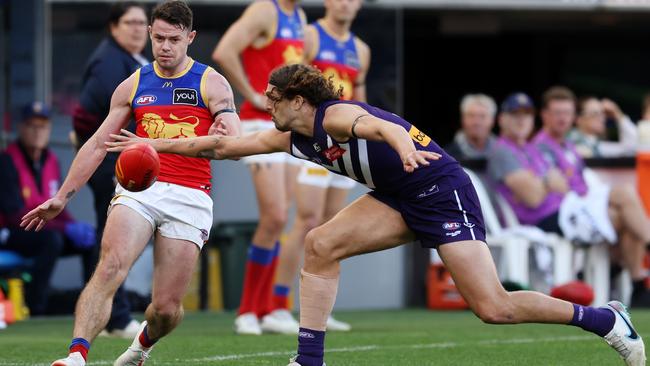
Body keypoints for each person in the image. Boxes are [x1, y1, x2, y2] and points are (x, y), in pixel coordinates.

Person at [107, 64, 646, 366]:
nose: (266, 105)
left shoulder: (336, 115)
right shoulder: (287, 134)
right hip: (396, 194)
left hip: (439, 189)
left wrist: (403, 145)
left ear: (299, 99)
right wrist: (157, 143)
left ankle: (605, 320)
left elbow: (379, 127)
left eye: (273, 98)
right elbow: (221, 148)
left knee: (494, 308)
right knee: (320, 245)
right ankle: (309, 360)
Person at [22, 2, 240, 365]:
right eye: (158, 38)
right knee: (109, 266)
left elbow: (234, 141)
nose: (165, 47)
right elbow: (96, 144)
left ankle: (141, 346)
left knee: (167, 309)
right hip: (139, 191)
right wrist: (61, 197)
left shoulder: (210, 81)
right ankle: (76, 354)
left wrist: (225, 133)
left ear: (190, 37)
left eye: (174, 39)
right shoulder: (135, 83)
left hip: (190, 195)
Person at [264, 0, 370, 334]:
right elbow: (291, 86)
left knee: (331, 226)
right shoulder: (310, 35)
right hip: (315, 137)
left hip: (345, 142)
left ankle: (318, 311)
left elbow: (360, 97)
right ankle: (278, 306)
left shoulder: (361, 49)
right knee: (306, 220)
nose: (345, 4)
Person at [212, 0, 308, 335]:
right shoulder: (265, 10)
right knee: (275, 216)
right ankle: (247, 310)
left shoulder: (299, 16)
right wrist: (253, 94)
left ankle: (268, 309)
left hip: (287, 126)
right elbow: (225, 51)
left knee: (283, 215)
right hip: (258, 125)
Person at [531, 86, 650, 307]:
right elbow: (559, 190)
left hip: (578, 210)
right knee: (624, 197)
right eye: (557, 113)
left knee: (625, 216)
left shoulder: (568, 145)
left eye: (567, 113)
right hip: (559, 215)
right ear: (544, 115)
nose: (563, 118)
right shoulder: (538, 147)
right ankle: (635, 270)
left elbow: (630, 146)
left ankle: (637, 285)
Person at [71, 1, 149, 339]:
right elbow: (91, 111)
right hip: (110, 161)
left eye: (140, 23)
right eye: (129, 22)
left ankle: (107, 317)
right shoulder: (108, 60)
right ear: (113, 26)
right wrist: (97, 149)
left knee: (112, 236)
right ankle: (116, 318)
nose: (136, 28)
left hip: (122, 158)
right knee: (115, 240)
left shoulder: (133, 61)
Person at [0, 102, 97, 316]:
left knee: (91, 241)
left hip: (43, 229)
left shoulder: (51, 160)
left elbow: (56, 204)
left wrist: (72, 225)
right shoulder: (6, 160)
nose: (37, 132)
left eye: (43, 126)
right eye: (31, 126)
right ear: (21, 129)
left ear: (49, 130)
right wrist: (64, 229)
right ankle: (37, 308)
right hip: (12, 232)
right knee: (52, 240)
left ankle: (91, 306)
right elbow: (14, 216)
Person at [568, 96, 638, 158]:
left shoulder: (597, 145)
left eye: (603, 113)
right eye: (595, 113)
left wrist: (618, 115)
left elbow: (633, 147)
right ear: (578, 119)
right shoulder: (569, 142)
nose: (602, 118)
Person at [444, 93, 497, 161]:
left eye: (482, 116)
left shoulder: (504, 153)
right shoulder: (448, 155)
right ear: (463, 119)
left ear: (492, 121)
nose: (477, 122)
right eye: (471, 116)